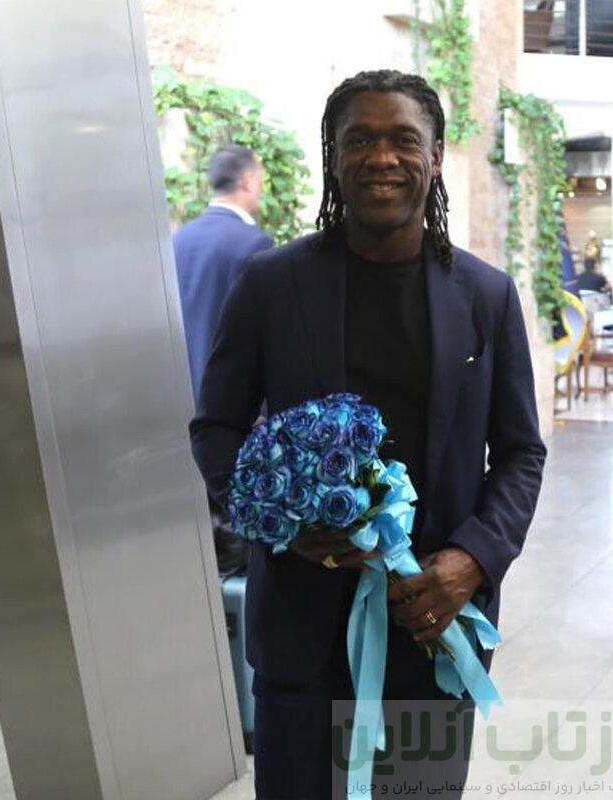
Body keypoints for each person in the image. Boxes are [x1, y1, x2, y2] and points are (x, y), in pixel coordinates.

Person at [189, 70, 547, 799]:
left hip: (433, 622)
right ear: (334, 157)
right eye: (359, 140)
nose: (381, 157)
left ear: (435, 156)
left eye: (403, 140)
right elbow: (216, 427)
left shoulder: (485, 295)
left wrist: (472, 560)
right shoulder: (271, 286)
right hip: (302, 633)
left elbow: (520, 452)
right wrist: (283, 525)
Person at [173, 144, 273, 577]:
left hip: (182, 404)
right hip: (232, 414)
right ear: (249, 181)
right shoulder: (253, 245)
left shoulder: (178, 240)